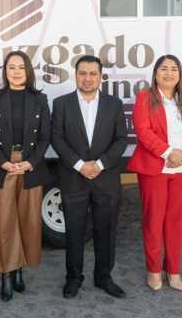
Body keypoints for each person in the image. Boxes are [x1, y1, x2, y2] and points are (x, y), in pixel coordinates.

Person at [127, 55, 182, 291]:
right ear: (155, 73)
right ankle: (154, 270)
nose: (169, 73)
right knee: (154, 220)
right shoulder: (145, 97)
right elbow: (143, 130)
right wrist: (168, 152)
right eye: (164, 68)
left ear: (180, 74)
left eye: (174, 69)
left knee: (175, 221)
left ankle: (173, 270)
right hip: (155, 168)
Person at [51, 55, 128, 299]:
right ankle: (73, 278)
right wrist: (80, 165)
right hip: (73, 177)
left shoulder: (113, 104)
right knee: (74, 232)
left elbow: (121, 139)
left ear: (100, 76)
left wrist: (100, 164)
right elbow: (57, 138)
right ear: (75, 75)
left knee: (107, 231)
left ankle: (104, 277)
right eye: (82, 73)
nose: (87, 78)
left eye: (93, 73)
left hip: (106, 178)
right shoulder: (61, 103)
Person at [0, 50, 52, 302]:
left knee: (27, 222)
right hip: (2, 167)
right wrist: (3, 162)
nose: (16, 71)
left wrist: (30, 163)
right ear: (5, 71)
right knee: (4, 223)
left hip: (30, 167)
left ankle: (19, 268)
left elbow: (45, 137)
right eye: (11, 67)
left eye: (21, 67)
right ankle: (6, 274)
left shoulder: (40, 99)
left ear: (28, 71)